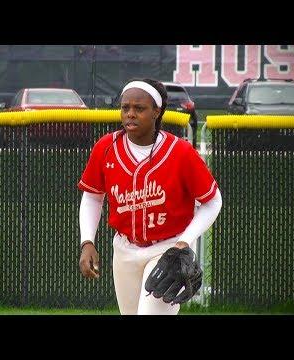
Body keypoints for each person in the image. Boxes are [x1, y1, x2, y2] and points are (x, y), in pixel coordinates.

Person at [77, 78, 222, 315]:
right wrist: (87, 241)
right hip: (124, 248)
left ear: (157, 111)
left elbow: (213, 201)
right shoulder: (105, 147)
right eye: (125, 108)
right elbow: (93, 196)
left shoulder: (181, 152)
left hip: (167, 249)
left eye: (139, 108)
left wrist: (184, 243)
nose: (130, 114)